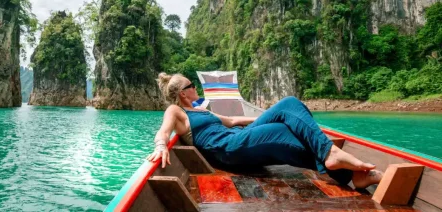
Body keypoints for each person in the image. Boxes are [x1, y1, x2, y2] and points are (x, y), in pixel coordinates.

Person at [147, 73, 383, 188]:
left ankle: (345, 170)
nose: (195, 87)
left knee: (289, 105)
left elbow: (230, 120)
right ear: (183, 94)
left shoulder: (203, 111)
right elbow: (163, 132)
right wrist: (160, 146)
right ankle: (341, 165)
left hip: (237, 137)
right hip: (229, 149)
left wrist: (266, 117)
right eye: (191, 85)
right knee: (281, 131)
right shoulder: (176, 112)